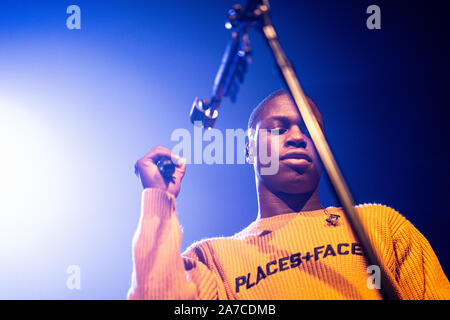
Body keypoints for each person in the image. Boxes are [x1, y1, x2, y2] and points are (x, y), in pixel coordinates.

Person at [127, 89, 450, 300]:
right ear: (249, 149)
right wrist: (159, 201)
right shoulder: (215, 259)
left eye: (311, 130)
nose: (298, 136)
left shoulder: (379, 225)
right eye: (279, 128)